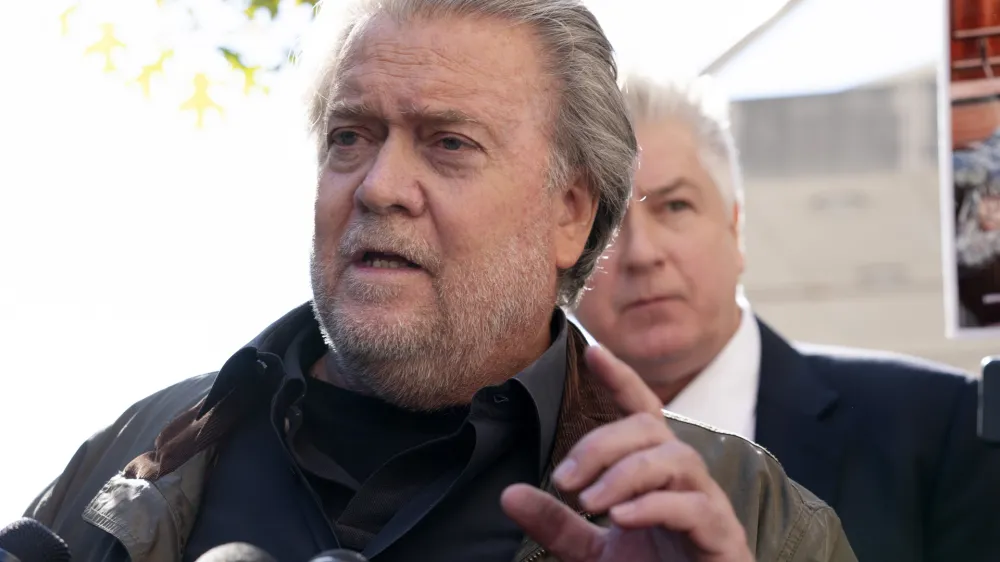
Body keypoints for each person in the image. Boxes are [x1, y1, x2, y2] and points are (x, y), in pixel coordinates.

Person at [23, 2, 856, 562]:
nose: (379, 186)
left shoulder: (750, 518)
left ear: (570, 214)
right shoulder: (138, 451)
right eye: (351, 136)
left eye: (449, 143)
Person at [572, 73, 1000, 562]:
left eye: (675, 205)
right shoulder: (523, 456)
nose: (642, 253)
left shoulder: (938, 425)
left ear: (735, 229)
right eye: (605, 224)